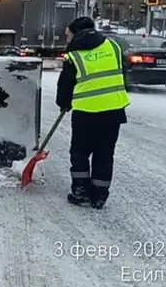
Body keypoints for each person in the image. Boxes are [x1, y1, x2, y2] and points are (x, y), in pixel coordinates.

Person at [55, 16, 129, 209]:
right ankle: (99, 196)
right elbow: (123, 72)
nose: (67, 40)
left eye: (68, 35)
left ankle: (81, 192)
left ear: (75, 34)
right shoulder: (113, 47)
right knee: (105, 154)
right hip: (114, 111)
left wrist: (63, 103)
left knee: (79, 152)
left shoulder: (74, 55)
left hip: (86, 113)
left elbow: (65, 85)